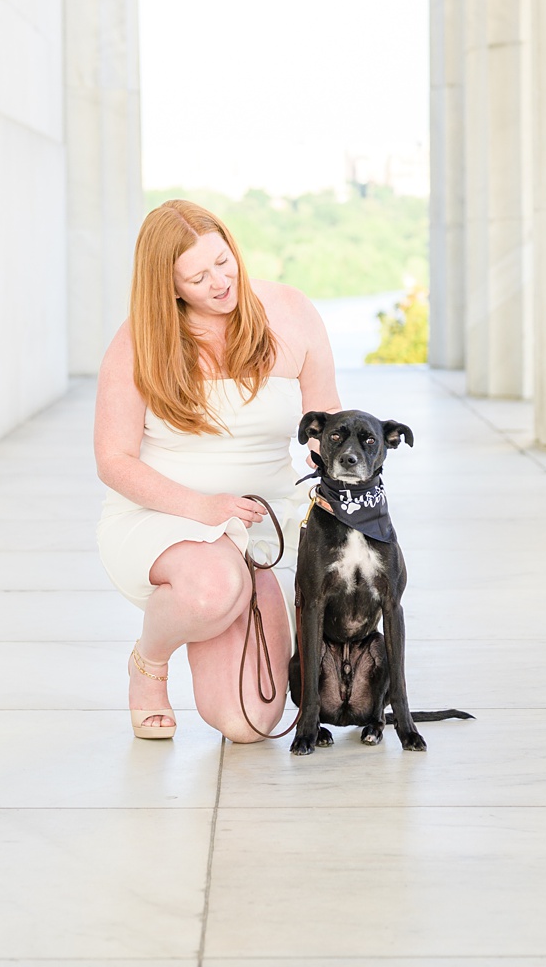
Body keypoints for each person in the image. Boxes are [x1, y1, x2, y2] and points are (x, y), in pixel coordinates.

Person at [93, 199, 340, 742]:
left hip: (262, 521)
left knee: (246, 721)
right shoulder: (140, 339)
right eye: (198, 277)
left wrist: (331, 480)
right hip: (165, 514)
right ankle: (148, 664)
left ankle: (248, 582)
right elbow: (113, 461)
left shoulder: (292, 313)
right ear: (169, 286)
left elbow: (325, 425)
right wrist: (204, 509)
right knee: (211, 587)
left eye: (223, 262)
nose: (220, 282)